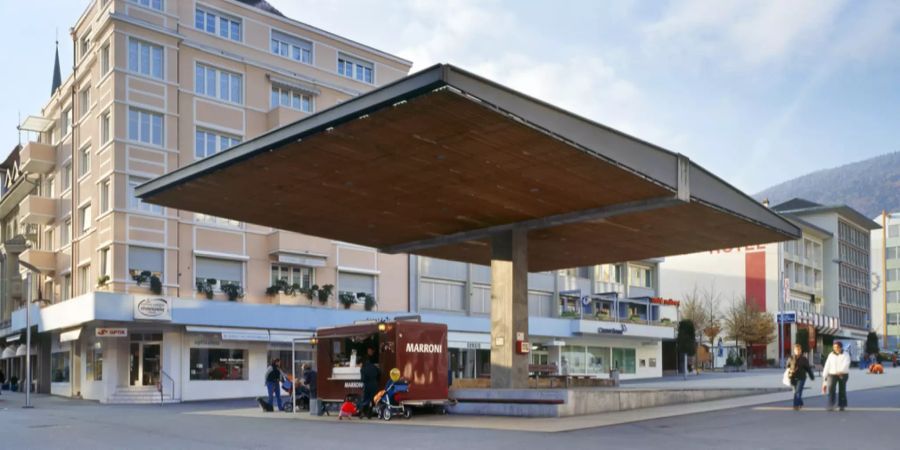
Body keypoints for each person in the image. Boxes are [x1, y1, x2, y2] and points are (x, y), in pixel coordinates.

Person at [822, 341, 851, 411]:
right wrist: (824, 375)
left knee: (842, 389)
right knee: (831, 389)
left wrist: (841, 371)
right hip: (832, 374)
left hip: (843, 374)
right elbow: (827, 365)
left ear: (841, 347)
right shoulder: (831, 355)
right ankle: (831, 405)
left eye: (837, 347)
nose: (836, 348)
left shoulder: (846, 354)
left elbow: (847, 363)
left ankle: (842, 405)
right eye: (834, 347)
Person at [787, 344, 814, 410]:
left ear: (801, 350)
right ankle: (800, 403)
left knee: (797, 391)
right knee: (796, 392)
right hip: (792, 377)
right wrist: (791, 370)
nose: (798, 351)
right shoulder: (791, 358)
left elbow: (808, 368)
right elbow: (787, 366)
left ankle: (795, 405)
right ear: (794, 350)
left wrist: (811, 376)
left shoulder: (804, 359)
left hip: (801, 377)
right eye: (796, 350)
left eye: (799, 350)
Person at [358, 354, 381, 418]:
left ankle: (362, 413)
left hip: (367, 386)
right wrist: (376, 380)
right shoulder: (374, 366)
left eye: (359, 364)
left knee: (365, 399)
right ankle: (370, 414)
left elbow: (363, 379)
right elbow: (379, 373)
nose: (359, 366)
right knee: (372, 400)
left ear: (361, 363)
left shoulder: (363, 369)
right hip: (375, 385)